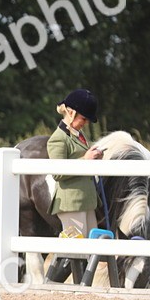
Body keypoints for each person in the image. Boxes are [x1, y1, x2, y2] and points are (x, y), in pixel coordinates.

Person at [48, 89, 102, 238]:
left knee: (93, 249)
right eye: (83, 119)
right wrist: (85, 159)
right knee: (75, 252)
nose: (85, 123)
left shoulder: (79, 135)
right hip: (71, 202)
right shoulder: (58, 138)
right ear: (71, 113)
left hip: (87, 201)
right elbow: (57, 173)